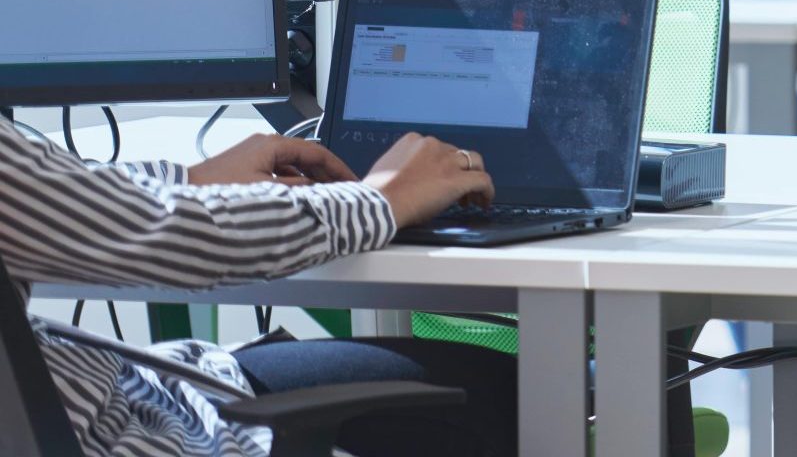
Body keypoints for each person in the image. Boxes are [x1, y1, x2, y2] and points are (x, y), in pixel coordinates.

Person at [2, 125, 515, 456]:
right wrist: (381, 198)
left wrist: (191, 178)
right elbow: (186, 240)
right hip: (156, 435)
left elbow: (59, 204)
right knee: (514, 391)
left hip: (137, 393)